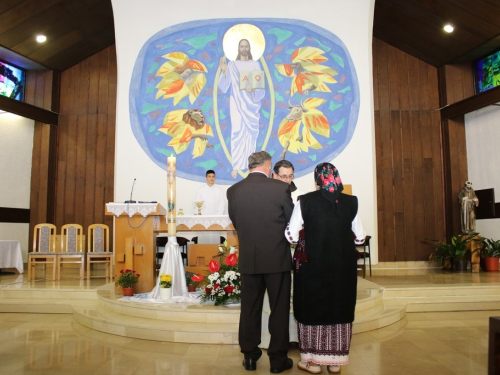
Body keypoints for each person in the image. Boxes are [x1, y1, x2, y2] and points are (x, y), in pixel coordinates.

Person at [285, 163, 365, 374]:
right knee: (340, 305)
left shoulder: (306, 201)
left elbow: (291, 235)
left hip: (313, 266)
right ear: (336, 177)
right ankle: (335, 361)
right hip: (343, 266)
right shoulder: (351, 202)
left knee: (312, 305)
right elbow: (360, 238)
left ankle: (311, 361)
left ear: (317, 179)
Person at [227, 151, 294, 373]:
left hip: (249, 260)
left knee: (249, 309)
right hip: (277, 259)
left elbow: (237, 222)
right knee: (279, 309)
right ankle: (277, 360)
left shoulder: (233, 191)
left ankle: (249, 356)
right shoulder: (281, 188)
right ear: (268, 166)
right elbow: (290, 222)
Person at [218, 39, 265, 179]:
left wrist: (253, 90)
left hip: (251, 104)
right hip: (237, 103)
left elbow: (260, 87)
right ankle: (236, 165)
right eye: (241, 46)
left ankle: (250, 164)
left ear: (249, 48)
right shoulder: (232, 65)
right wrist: (224, 70)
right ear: (238, 49)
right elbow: (224, 87)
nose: (244, 49)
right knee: (237, 131)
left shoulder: (255, 64)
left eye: (246, 46)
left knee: (251, 132)